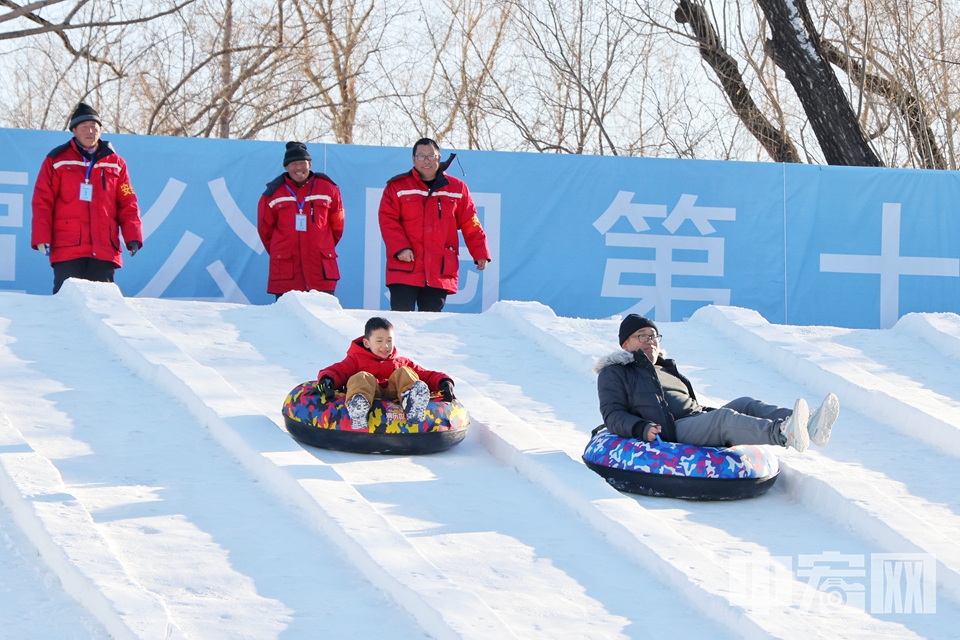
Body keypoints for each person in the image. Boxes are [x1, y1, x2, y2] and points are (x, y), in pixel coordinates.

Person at [595, 314, 840, 452]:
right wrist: (640, 427)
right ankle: (783, 433)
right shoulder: (616, 372)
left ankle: (809, 424)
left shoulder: (665, 367)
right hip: (671, 430)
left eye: (654, 336)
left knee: (746, 403)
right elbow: (613, 413)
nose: (651, 341)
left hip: (694, 417)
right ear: (625, 344)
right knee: (722, 419)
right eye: (642, 336)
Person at [31, 102, 143, 294]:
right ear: (74, 130)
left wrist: (133, 235)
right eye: (84, 127)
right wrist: (42, 237)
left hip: (104, 248)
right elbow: (43, 201)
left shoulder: (116, 163)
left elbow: (127, 201)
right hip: (68, 248)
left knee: (102, 305)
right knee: (66, 304)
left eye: (94, 126)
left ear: (100, 130)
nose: (90, 131)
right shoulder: (56, 160)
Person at [378, 137, 491, 312]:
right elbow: (387, 220)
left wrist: (480, 252)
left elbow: (471, 222)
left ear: (439, 157)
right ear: (413, 159)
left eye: (431, 156)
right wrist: (400, 248)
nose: (427, 161)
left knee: (430, 326)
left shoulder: (457, 188)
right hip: (405, 267)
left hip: (439, 269)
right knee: (400, 321)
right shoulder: (397, 187)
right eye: (421, 156)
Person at [317, 317, 456, 425]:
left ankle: (412, 402)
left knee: (405, 372)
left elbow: (425, 375)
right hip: (371, 392)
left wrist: (443, 382)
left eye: (389, 341)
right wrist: (327, 379)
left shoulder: (401, 361)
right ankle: (359, 406)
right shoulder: (356, 360)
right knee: (361, 377)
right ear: (367, 343)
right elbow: (338, 370)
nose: (385, 346)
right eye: (379, 341)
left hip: (395, 392)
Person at [258, 141, 345, 300]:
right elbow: (265, 231)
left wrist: (321, 245)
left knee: (323, 319)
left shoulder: (328, 188)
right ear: (286, 167)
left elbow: (337, 226)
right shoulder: (273, 193)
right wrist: (283, 250)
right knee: (287, 322)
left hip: (320, 270)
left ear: (310, 164)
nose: (298, 168)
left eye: (302, 163)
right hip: (286, 271)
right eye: (293, 164)